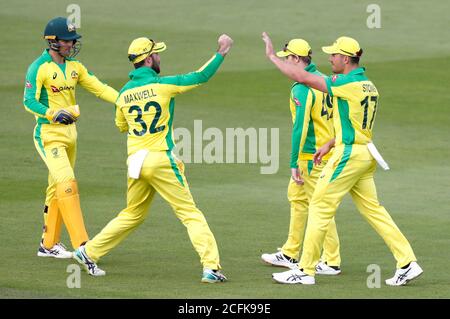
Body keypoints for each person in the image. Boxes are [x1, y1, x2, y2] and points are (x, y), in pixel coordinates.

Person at [262, 33, 422, 286]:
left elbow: (302, 76)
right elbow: (355, 124)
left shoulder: (346, 83)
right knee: (375, 211)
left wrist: (272, 56)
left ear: (346, 59)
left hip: (349, 155)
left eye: (334, 54)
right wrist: (329, 143)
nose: (330, 58)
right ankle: (407, 262)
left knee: (319, 206)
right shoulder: (370, 86)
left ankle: (305, 270)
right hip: (366, 152)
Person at [73, 34, 233, 283]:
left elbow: (121, 126)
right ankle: (211, 267)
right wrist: (221, 52)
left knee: (132, 213)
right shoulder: (163, 85)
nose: (159, 57)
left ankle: (88, 251)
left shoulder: (123, 94)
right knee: (190, 213)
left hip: (136, 161)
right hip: (160, 159)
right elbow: (200, 77)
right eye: (156, 54)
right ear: (148, 60)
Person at [23, 17, 119, 258]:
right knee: (66, 183)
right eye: (68, 40)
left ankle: (48, 245)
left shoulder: (75, 67)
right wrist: (53, 113)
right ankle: (83, 246)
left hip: (70, 135)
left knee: (55, 186)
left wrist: (125, 101)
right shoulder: (39, 68)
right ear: (53, 42)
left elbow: (99, 87)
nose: (72, 44)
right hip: (48, 134)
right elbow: (28, 101)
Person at [261, 39, 341, 276]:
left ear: (296, 60)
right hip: (325, 151)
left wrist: (294, 161)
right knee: (297, 199)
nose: (286, 63)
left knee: (320, 206)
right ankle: (290, 252)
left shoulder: (302, 87)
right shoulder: (324, 79)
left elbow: (300, 126)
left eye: (287, 58)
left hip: (311, 156)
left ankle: (331, 260)